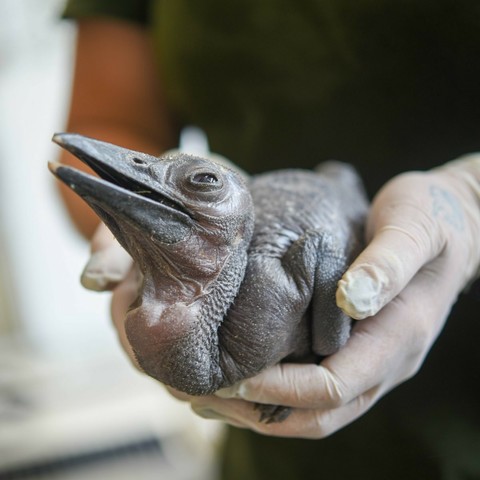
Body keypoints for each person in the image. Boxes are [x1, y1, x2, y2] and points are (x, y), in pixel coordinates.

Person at [58, 1, 480, 478]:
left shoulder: (267, 296)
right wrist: (139, 234)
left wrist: (470, 200)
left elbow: (316, 252)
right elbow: (107, 121)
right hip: (270, 453)